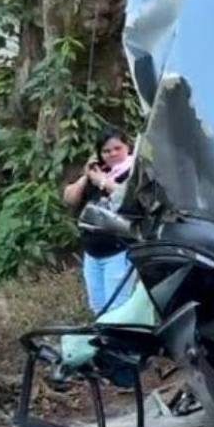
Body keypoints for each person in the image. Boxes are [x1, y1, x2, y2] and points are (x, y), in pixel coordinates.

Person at [63, 127, 135, 316]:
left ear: (127, 147)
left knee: (117, 310)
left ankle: (122, 345)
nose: (112, 154)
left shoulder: (135, 171)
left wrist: (102, 182)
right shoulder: (97, 174)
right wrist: (87, 175)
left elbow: (127, 197)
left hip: (119, 251)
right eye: (106, 151)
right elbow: (69, 198)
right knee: (98, 308)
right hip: (92, 253)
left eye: (117, 148)